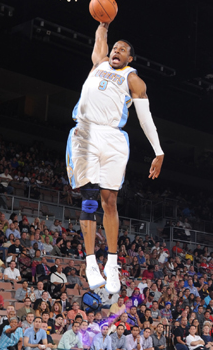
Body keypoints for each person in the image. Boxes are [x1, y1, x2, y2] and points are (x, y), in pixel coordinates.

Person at [66, 21, 165, 293]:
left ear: (130, 58)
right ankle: (89, 262)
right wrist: (103, 24)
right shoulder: (99, 62)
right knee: (89, 197)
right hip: (86, 132)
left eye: (123, 49)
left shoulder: (133, 79)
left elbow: (145, 118)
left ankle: (111, 263)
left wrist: (158, 151)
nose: (116, 51)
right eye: (115, 47)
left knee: (110, 201)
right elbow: (100, 40)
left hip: (114, 137)